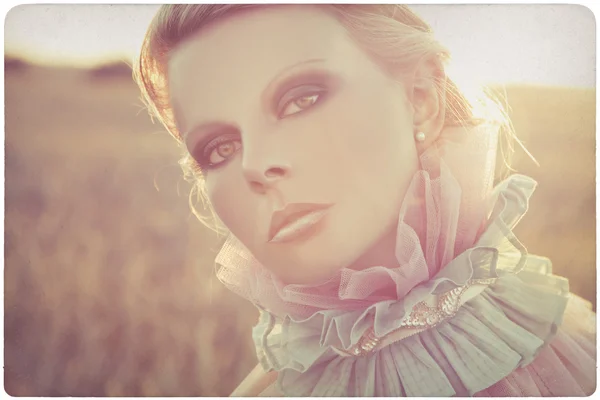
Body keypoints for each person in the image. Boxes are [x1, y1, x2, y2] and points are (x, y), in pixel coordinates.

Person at [134, 4, 596, 396]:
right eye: (218, 148)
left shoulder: (556, 347)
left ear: (420, 99)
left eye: (300, 99)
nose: (254, 165)